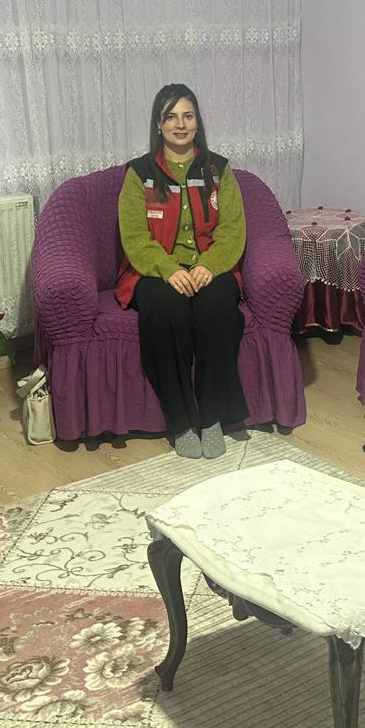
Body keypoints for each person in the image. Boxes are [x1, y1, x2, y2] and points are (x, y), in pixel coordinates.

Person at [116, 83, 248, 459]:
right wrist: (167, 268)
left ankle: (211, 417)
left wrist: (209, 265)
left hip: (209, 266)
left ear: (197, 122)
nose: (180, 124)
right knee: (166, 309)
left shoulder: (219, 170)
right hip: (155, 271)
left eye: (187, 116)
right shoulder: (138, 173)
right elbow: (135, 237)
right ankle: (182, 421)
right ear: (158, 124)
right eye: (171, 117)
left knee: (218, 305)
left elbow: (232, 230)